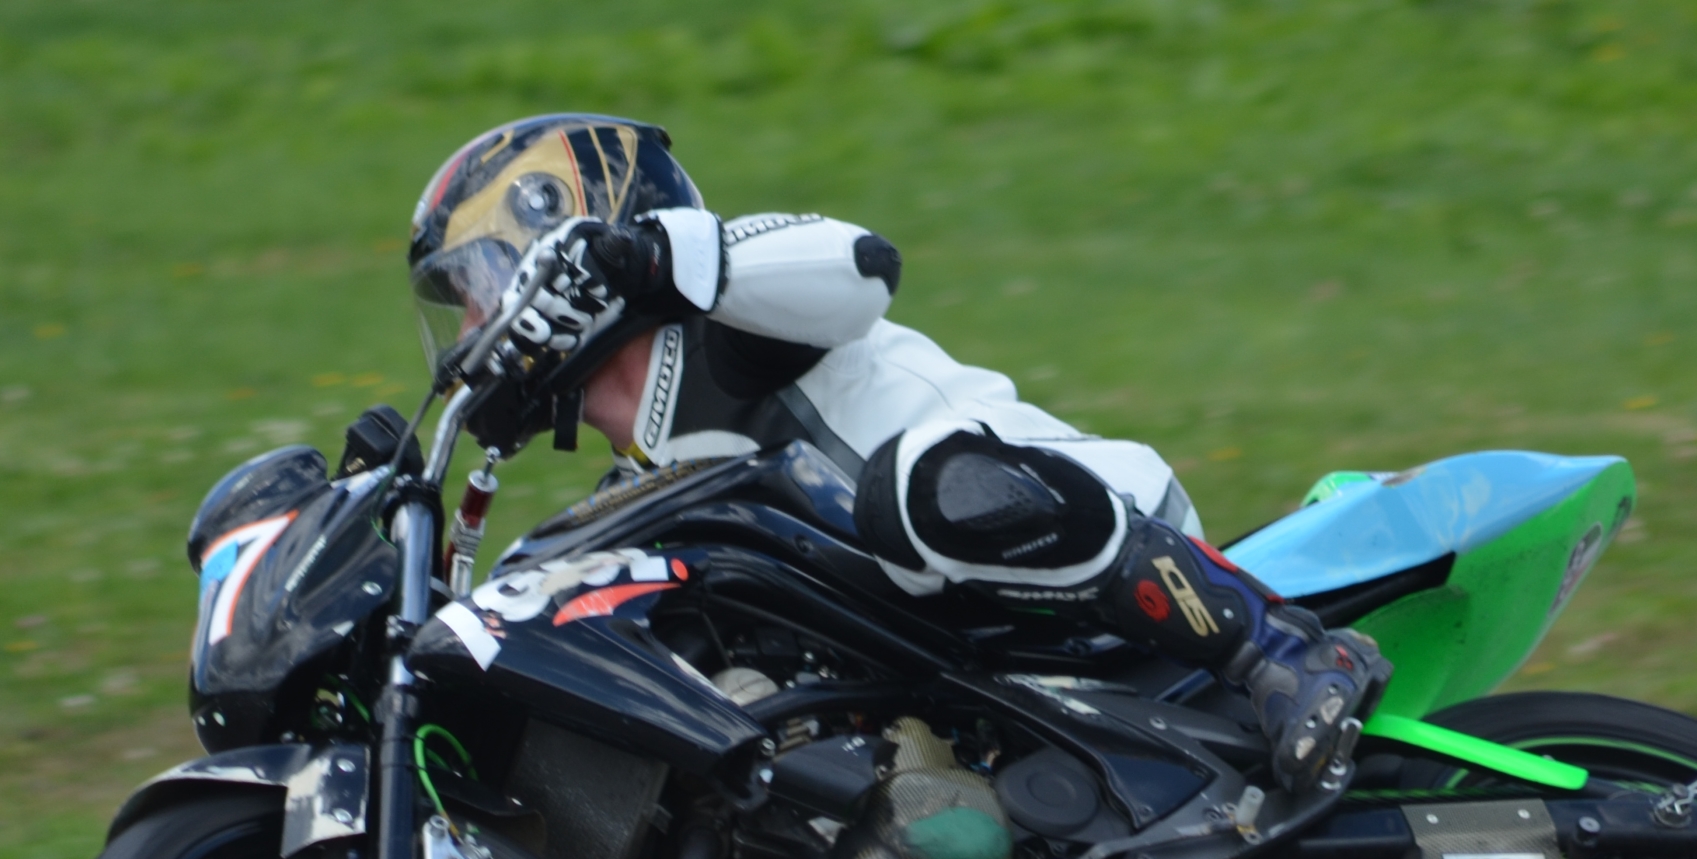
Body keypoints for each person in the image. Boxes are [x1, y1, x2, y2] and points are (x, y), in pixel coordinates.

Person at [409, 114, 1389, 794]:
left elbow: (864, 265)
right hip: (967, 679)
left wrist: (651, 258)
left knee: (914, 488)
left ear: (568, 230)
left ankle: (1282, 648)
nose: (468, 328)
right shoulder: (634, 487)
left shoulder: (732, 313)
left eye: (477, 284)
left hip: (1093, 539)